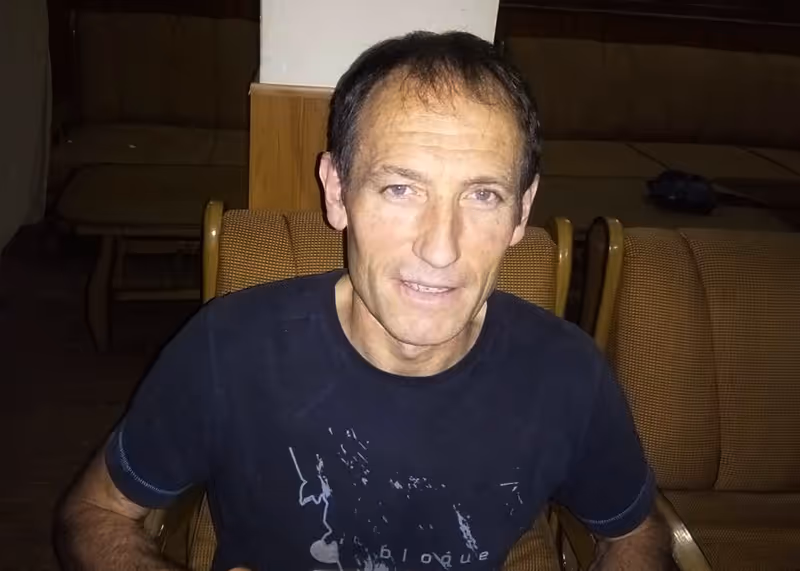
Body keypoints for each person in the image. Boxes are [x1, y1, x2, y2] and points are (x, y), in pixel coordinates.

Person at [56, 31, 672, 571]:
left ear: (522, 211)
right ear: (337, 191)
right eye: (400, 188)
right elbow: (93, 513)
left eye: (482, 195)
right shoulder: (228, 349)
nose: (440, 248)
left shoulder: (568, 373)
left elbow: (635, 534)